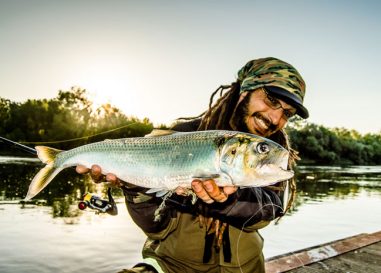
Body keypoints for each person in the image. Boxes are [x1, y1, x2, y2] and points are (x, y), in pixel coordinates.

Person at [76, 57, 309, 273]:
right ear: (243, 92)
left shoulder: (269, 155)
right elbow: (154, 225)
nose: (276, 119)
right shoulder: (181, 135)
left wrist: (228, 199)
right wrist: (135, 186)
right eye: (271, 100)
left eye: (287, 113)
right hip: (173, 266)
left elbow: (268, 211)